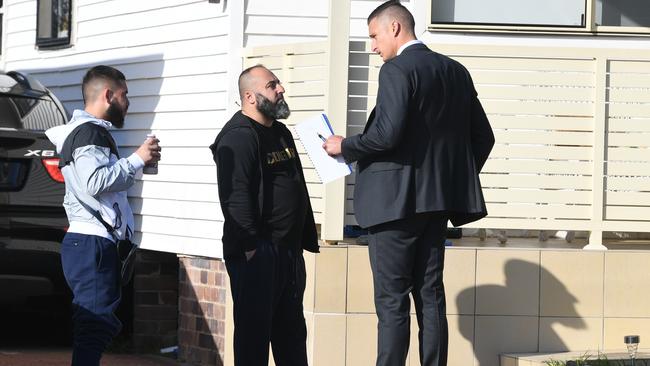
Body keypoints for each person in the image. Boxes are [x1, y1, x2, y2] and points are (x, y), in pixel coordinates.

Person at [322, 1, 495, 365]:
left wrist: (345, 145)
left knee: (392, 299)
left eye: (374, 36)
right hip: (435, 206)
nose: (372, 46)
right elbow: (484, 137)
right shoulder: (456, 71)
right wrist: (450, 181)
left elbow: (386, 135)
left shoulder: (397, 70)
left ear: (395, 29)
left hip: (392, 207)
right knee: (430, 295)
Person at [45, 65, 161, 366]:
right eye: (124, 95)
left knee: (96, 324)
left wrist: (136, 163)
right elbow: (94, 182)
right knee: (94, 324)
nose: (128, 103)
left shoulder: (88, 133)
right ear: (108, 95)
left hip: (90, 244)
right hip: (91, 244)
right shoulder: (89, 134)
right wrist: (137, 160)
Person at [209, 64, 319, 366]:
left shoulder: (281, 132)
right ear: (250, 96)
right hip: (258, 255)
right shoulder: (238, 137)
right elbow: (235, 197)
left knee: (292, 336)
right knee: (253, 340)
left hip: (288, 252)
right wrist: (254, 249)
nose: (281, 89)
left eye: (279, 83)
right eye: (272, 85)